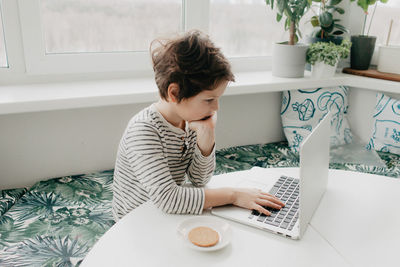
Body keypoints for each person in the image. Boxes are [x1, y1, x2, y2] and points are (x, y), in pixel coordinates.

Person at [112, 30, 284, 221]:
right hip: (136, 221)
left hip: (165, 214)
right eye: (209, 99)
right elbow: (168, 199)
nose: (216, 107)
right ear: (174, 93)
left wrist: (207, 137)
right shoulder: (144, 130)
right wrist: (234, 195)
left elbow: (199, 180)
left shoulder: (190, 121)